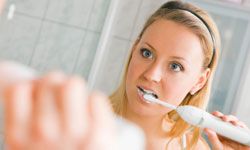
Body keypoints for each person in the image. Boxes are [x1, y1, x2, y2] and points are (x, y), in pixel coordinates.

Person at [0, 0, 249, 150]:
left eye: (175, 66)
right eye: (147, 53)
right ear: (133, 49)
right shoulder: (83, 129)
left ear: (199, 81)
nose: (151, 74)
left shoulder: (194, 148)